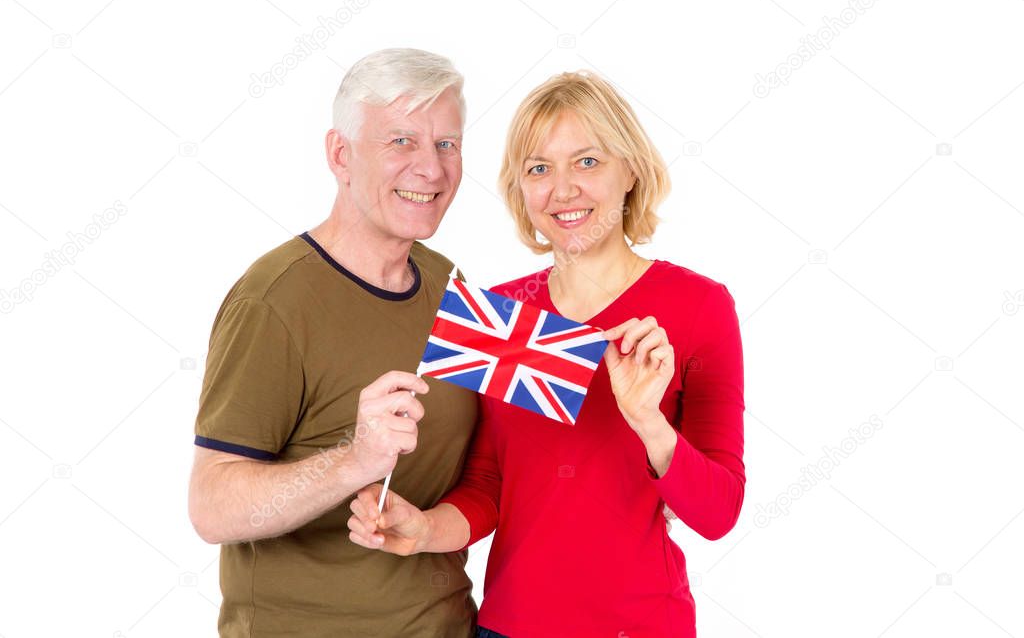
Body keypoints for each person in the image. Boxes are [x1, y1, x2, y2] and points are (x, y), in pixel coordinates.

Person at [347, 71, 747, 637]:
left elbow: (718, 513)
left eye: (587, 161)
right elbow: (489, 484)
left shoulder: (699, 307)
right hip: (509, 627)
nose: (562, 190)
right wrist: (423, 530)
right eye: (539, 168)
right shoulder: (503, 314)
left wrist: (650, 426)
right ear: (521, 190)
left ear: (630, 170)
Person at [187, 48, 480, 637]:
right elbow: (212, 508)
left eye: (446, 143)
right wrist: (354, 461)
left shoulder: (452, 286)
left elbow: (486, 467)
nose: (431, 169)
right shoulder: (272, 300)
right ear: (339, 154)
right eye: (401, 141)